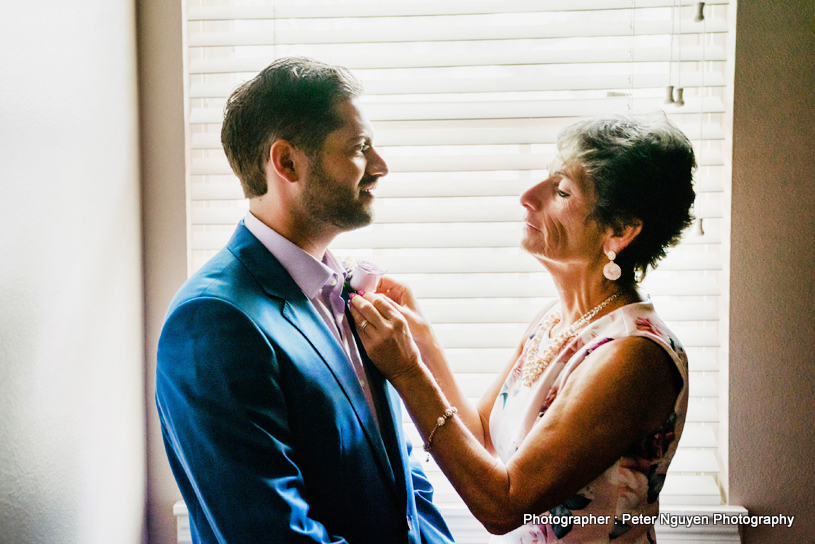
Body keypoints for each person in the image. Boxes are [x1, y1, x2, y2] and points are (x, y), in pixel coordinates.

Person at [349, 113, 696, 543]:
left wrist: (406, 371)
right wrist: (421, 341)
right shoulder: (555, 320)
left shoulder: (633, 356)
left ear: (619, 231)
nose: (527, 197)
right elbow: (480, 434)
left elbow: (503, 505)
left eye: (562, 190)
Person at [155, 57, 454, 544]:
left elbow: (406, 481)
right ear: (287, 162)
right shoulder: (212, 321)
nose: (380, 166)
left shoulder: (354, 296)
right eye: (360, 148)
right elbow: (272, 533)